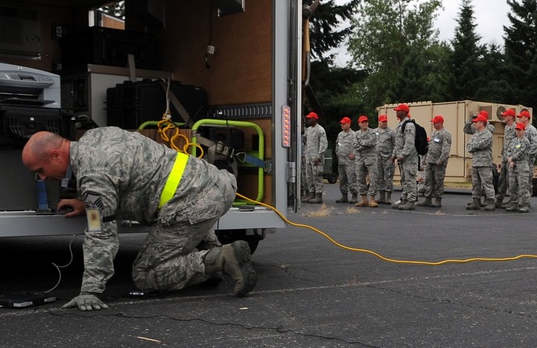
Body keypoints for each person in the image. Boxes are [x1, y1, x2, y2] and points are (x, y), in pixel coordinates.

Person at [21, 128, 256, 310]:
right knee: (174, 215)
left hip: (192, 203)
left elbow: (100, 232)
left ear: (55, 155)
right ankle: (212, 256)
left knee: (145, 275)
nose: (42, 178)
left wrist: (90, 290)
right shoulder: (97, 136)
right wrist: (89, 205)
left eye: (40, 170)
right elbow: (129, 183)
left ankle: (219, 259)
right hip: (213, 183)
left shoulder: (92, 178)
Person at [464, 114, 495, 211]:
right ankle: (476, 201)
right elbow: (468, 146)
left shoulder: (487, 134)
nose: (475, 124)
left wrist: (473, 146)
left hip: (484, 163)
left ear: (481, 123)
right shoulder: (476, 134)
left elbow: (481, 145)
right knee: (475, 183)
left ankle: (490, 201)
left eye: (476, 122)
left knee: (487, 183)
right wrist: (473, 146)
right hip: (476, 162)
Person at [419, 114, 452, 208]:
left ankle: (438, 199)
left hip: (438, 162)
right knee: (428, 181)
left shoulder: (445, 134)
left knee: (438, 181)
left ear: (440, 123)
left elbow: (446, 149)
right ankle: (427, 199)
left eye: (435, 122)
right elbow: (430, 147)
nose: (433, 124)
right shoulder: (433, 133)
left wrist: (441, 160)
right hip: (430, 161)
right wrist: (425, 159)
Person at [391, 103, 419, 211]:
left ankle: (411, 201)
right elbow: (398, 143)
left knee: (410, 179)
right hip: (402, 159)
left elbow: (409, 143)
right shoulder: (400, 124)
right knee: (404, 179)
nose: (397, 112)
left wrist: (402, 155)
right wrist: (394, 155)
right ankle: (404, 198)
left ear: (404, 112)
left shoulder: (409, 125)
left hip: (409, 158)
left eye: (399, 110)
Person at [505, 122, 532, 212]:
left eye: (519, 130)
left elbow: (521, 153)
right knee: (512, 187)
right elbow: (507, 151)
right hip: (512, 167)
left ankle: (525, 204)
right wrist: (510, 160)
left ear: (524, 130)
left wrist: (511, 158)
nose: (518, 131)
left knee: (523, 187)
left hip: (522, 168)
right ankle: (514, 203)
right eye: (516, 129)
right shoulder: (513, 141)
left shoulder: (526, 141)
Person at [353, 115, 380, 207]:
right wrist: (365, 144)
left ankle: (372, 199)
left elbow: (372, 142)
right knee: (360, 179)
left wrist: (361, 143)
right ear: (359, 124)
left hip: (371, 159)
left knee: (373, 178)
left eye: (366, 122)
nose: (364, 123)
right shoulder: (356, 134)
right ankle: (364, 199)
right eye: (362, 122)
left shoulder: (373, 132)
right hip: (360, 159)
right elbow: (355, 145)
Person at [301, 111, 328, 204]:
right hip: (309, 157)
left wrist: (319, 156)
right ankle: (311, 194)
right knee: (309, 176)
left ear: (315, 119)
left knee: (317, 176)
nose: (308, 120)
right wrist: (306, 155)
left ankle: (319, 195)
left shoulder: (320, 130)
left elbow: (323, 144)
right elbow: (305, 141)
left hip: (317, 158)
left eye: (309, 118)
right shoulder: (308, 130)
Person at [496, 108, 517, 208]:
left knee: (511, 180)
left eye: (506, 115)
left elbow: (518, 144)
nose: (504, 116)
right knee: (502, 179)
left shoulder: (516, 128)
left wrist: (513, 156)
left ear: (511, 117)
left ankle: (513, 200)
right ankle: (499, 199)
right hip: (505, 157)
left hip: (511, 158)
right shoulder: (507, 128)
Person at [335, 117, 357, 204]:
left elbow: (357, 146)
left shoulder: (354, 135)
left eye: (344, 124)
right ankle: (344, 196)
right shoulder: (340, 135)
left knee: (351, 178)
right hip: (341, 160)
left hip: (350, 161)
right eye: (341, 123)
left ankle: (354, 195)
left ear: (349, 124)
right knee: (342, 179)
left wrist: (354, 154)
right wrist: (337, 153)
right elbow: (337, 145)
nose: (342, 125)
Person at [375, 115, 395, 205]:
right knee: (379, 177)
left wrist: (393, 156)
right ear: (379, 122)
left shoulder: (391, 132)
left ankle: (388, 197)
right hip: (377, 157)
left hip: (388, 157)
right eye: (383, 121)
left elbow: (395, 145)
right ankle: (381, 196)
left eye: (385, 121)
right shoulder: (375, 132)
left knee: (388, 177)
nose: (384, 123)